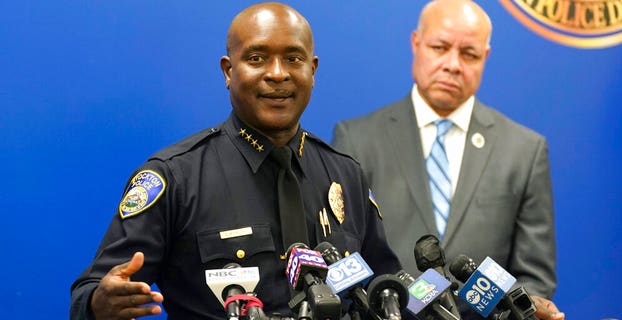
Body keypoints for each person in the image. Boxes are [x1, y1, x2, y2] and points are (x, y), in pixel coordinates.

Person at [70, 2, 401, 319]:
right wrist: (100, 304)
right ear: (229, 71)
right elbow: (91, 292)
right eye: (257, 58)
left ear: (312, 70)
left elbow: (388, 288)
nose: (277, 74)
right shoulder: (176, 178)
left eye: (293, 59)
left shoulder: (346, 175)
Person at [331, 1, 564, 319]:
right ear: (416, 43)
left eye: (468, 54)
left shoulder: (524, 150)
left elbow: (533, 278)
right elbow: (345, 263)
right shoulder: (356, 139)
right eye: (439, 47)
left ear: (485, 57)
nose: (453, 64)